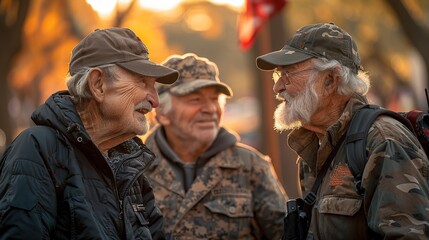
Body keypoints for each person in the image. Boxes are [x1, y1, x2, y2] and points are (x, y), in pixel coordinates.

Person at [0, 28, 179, 239]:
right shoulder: (38, 150)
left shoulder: (130, 164)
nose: (155, 101)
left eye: (154, 87)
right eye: (142, 82)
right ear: (98, 84)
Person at [256, 22, 429, 239]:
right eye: (277, 75)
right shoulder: (315, 145)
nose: (277, 87)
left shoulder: (382, 140)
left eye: (288, 73)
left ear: (330, 80)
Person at [144, 53, 288, 239]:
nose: (210, 109)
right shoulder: (134, 170)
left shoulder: (251, 166)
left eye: (214, 99)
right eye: (195, 100)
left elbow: (286, 235)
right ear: (162, 112)